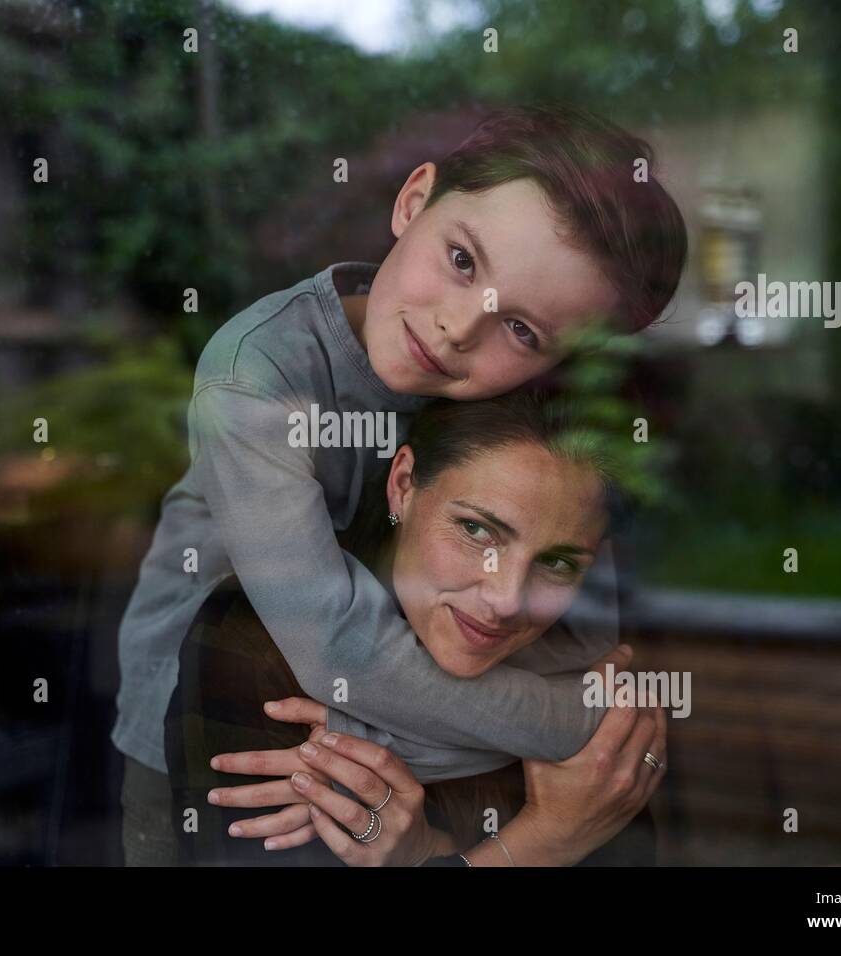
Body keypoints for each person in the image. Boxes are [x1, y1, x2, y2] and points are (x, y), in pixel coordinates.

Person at [116, 103, 686, 864]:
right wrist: (587, 729)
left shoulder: (521, 406)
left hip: (394, 738)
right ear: (414, 201)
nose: (457, 329)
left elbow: (575, 644)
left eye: (522, 330)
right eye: (462, 261)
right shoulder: (256, 374)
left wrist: (370, 743)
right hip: (223, 728)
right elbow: (342, 649)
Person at [165, 391, 665, 865]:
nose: (507, 600)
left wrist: (432, 851)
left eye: (556, 562)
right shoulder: (260, 638)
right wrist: (543, 843)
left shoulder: (580, 669)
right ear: (403, 485)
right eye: (476, 530)